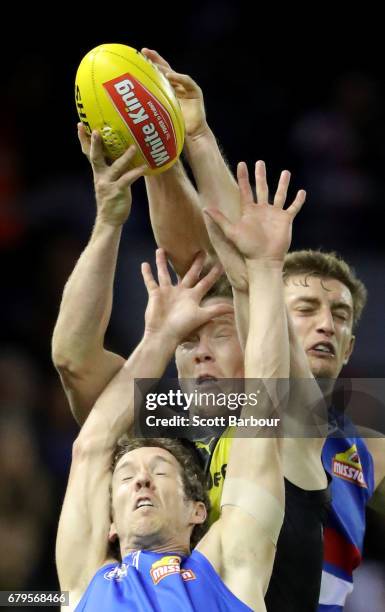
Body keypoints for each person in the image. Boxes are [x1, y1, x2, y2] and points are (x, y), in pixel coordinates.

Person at [137, 50, 385, 611]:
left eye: (340, 316)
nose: (323, 323)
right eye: (304, 308)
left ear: (350, 348)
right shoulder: (190, 412)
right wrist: (176, 146)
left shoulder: (361, 439)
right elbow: (227, 261)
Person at [56, 155, 310, 610]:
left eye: (157, 473)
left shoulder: (229, 563)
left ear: (199, 512)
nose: (141, 482)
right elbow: (87, 434)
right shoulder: (82, 584)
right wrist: (158, 336)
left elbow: (267, 401)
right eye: (129, 475)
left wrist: (266, 268)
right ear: (108, 520)